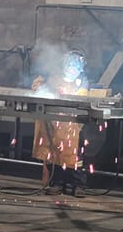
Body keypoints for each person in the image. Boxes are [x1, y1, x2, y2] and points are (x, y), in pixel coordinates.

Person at [32, 50, 89, 196]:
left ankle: (78, 185)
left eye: (76, 67)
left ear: (80, 69)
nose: (72, 70)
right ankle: (57, 183)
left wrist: (70, 95)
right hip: (55, 123)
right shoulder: (53, 77)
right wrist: (46, 89)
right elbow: (37, 86)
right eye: (70, 66)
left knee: (75, 156)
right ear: (64, 66)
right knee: (54, 153)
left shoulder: (82, 81)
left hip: (73, 125)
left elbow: (82, 95)